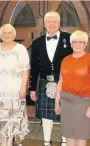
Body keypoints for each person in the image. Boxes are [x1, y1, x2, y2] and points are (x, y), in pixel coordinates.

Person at [29, 11, 73, 146]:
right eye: (49, 22)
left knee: (66, 112)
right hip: (44, 81)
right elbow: (34, 66)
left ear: (59, 24)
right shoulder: (37, 43)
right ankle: (47, 142)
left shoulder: (69, 38)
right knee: (46, 114)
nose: (52, 24)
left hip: (65, 82)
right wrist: (32, 89)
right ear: (44, 24)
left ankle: (65, 141)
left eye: (55, 22)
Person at [55, 30, 90, 146]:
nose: (77, 45)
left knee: (81, 136)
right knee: (69, 135)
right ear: (71, 44)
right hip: (66, 102)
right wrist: (57, 102)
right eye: (75, 42)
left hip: (84, 103)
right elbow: (61, 82)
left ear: (85, 44)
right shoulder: (65, 60)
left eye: (81, 42)